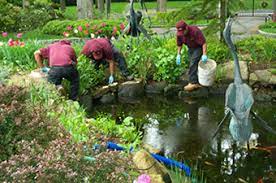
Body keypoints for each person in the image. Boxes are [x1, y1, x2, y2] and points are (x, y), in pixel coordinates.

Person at [175, 20, 208, 91]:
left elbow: (203, 43)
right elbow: (179, 44)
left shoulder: (195, 31)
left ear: (186, 28)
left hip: (198, 47)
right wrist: (178, 54)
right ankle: (198, 81)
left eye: (183, 31)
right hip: (190, 48)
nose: (182, 33)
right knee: (193, 63)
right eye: (180, 32)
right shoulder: (179, 34)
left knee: (193, 63)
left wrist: (204, 54)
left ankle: (192, 83)